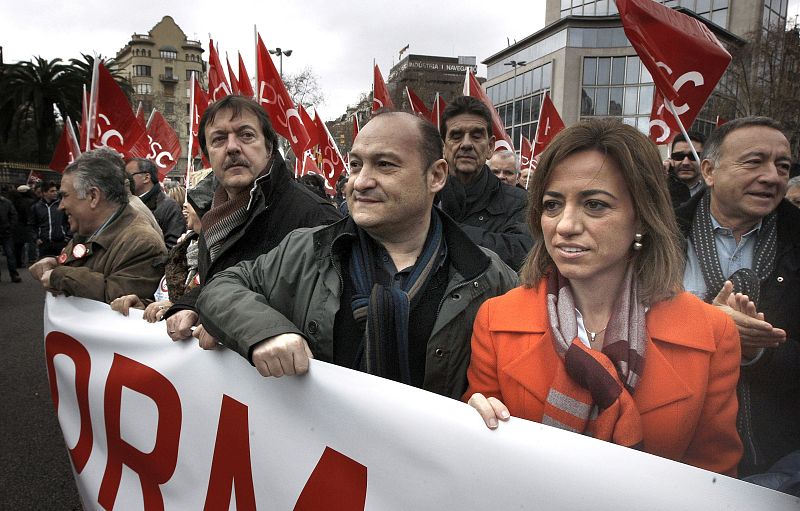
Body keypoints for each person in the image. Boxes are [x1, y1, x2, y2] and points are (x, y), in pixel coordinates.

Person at [465, 118, 742, 476]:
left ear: (642, 216)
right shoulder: (496, 318)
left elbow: (715, 479)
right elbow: (481, 464)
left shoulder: (713, 333)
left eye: (594, 205)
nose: (565, 225)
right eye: (552, 205)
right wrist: (472, 424)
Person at [195, 112, 518, 399]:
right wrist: (266, 330)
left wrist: (486, 402)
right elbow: (221, 288)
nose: (361, 182)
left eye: (385, 165)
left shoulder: (488, 276)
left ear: (435, 176)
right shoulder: (307, 250)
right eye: (355, 165)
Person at [675, 116, 799, 477]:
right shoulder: (658, 236)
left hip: (777, 456)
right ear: (710, 171)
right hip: (673, 447)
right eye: (754, 161)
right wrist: (707, 326)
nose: (772, 176)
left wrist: (758, 350)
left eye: (782, 166)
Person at [162, 95, 340, 341]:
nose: (232, 147)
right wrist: (192, 306)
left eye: (246, 135)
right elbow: (217, 282)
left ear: (269, 148)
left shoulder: (315, 215)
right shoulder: (211, 213)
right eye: (219, 139)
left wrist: (235, 326)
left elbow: (325, 314)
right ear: (208, 155)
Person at [28, 148, 167, 303]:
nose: (60, 206)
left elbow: (120, 299)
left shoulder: (142, 242)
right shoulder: (89, 230)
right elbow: (82, 262)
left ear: (93, 196)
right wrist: (55, 262)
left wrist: (59, 276)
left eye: (65, 196)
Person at [437, 96, 532, 270]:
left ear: (490, 147)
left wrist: (442, 230)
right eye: (456, 136)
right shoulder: (426, 199)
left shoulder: (520, 202)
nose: (466, 144)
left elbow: (523, 255)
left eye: (476, 136)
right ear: (444, 147)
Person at [125, 158, 186, 248]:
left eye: (129, 176)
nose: (126, 180)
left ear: (146, 178)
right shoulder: (125, 204)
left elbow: (173, 247)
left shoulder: (169, 207)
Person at [30, 181, 69, 258]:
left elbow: (70, 220)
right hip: (44, 243)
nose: (55, 193)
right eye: (52, 191)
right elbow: (32, 224)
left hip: (60, 242)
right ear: (44, 193)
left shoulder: (61, 205)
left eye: (56, 190)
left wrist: (68, 237)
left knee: (61, 267)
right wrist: (36, 238)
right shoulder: (36, 207)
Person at [667, 131, 706, 208]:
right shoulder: (661, 185)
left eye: (693, 156)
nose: (685, 163)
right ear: (671, 159)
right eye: (679, 156)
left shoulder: (715, 188)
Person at [0, 192, 21, 282]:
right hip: (6, 231)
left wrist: (10, 228)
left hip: (6, 232)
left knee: (10, 254)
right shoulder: (6, 202)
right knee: (10, 254)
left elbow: (14, 215)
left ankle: (14, 274)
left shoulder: (6, 202)